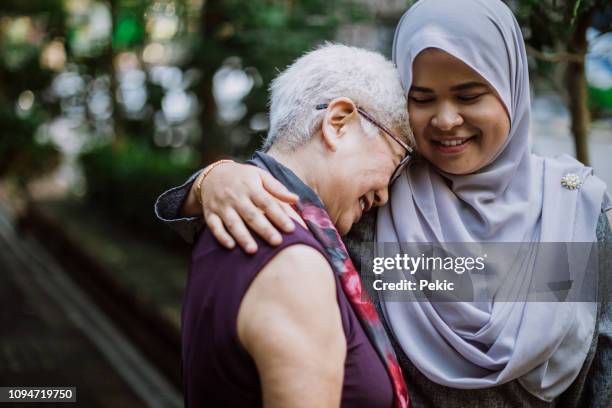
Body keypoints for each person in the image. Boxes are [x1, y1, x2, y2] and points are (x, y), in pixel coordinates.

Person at [156, 0, 611, 407]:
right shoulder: (377, 205)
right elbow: (271, 218)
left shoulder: (576, 210)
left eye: (470, 95)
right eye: (422, 98)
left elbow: (602, 379)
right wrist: (213, 180)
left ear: (511, 87)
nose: (446, 118)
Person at [178, 44, 412, 408]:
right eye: (397, 160)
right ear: (338, 123)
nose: (385, 193)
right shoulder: (293, 260)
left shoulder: (237, 216)